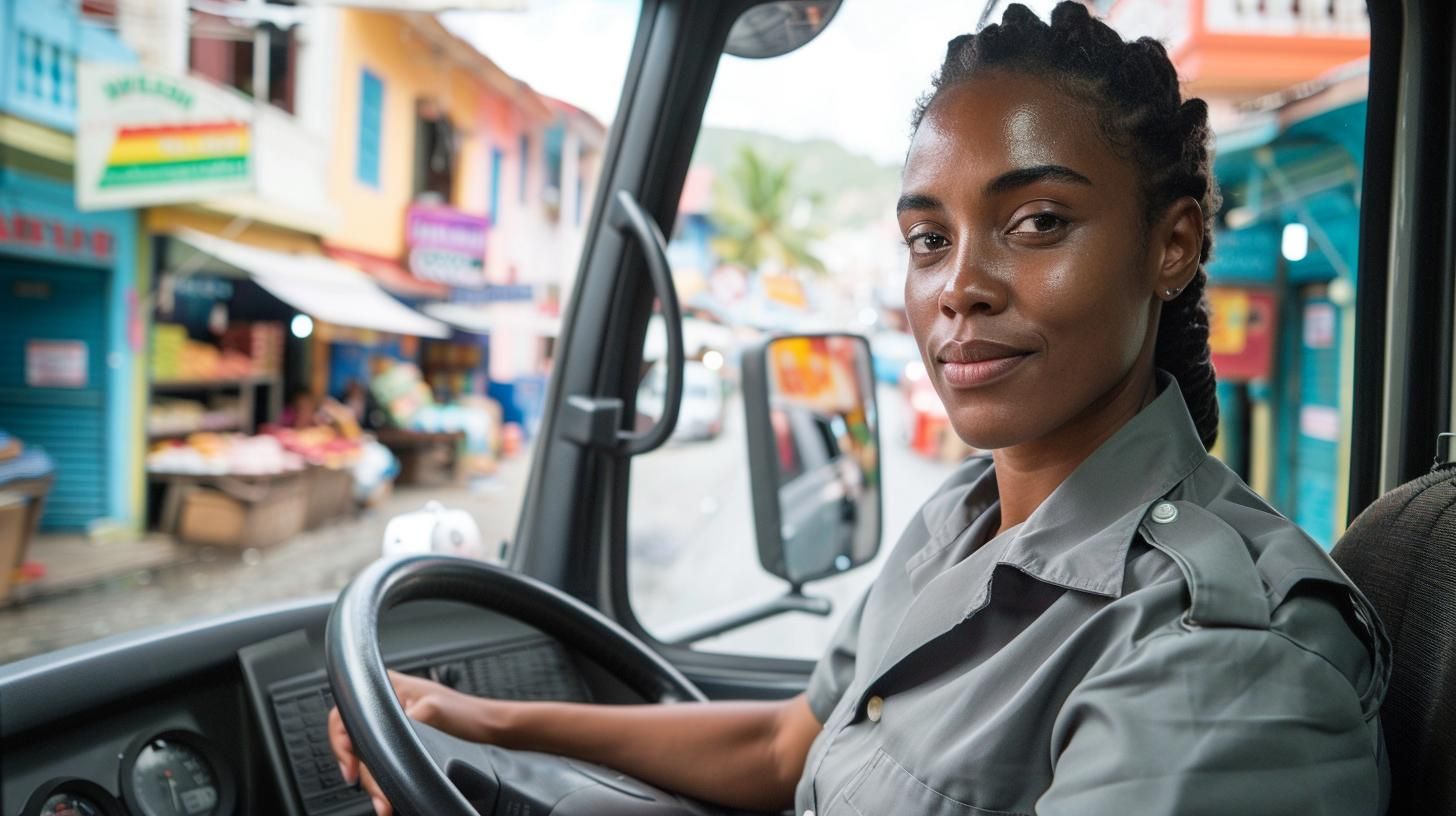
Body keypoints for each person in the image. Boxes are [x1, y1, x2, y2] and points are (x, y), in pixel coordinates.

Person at [330, 4, 1390, 814]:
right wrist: (481, 719)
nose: (958, 287)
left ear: (1173, 243)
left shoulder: (1225, 654)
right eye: (928, 239)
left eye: (1035, 221)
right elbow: (788, 747)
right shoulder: (959, 521)